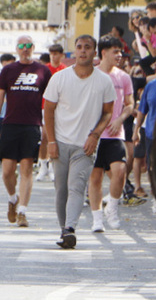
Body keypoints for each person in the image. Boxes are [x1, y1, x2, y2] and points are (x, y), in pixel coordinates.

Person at [43, 35, 115, 249]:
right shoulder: (60, 78)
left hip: (85, 145)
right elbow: (48, 110)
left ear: (95, 52)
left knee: (77, 187)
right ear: (74, 52)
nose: (83, 51)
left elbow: (108, 113)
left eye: (87, 47)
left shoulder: (104, 81)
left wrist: (95, 135)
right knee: (61, 189)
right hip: (60, 141)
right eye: (79, 47)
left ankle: (70, 229)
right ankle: (63, 228)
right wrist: (51, 141)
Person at [0, 35, 52, 227]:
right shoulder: (8, 70)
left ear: (33, 47)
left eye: (28, 46)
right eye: (21, 46)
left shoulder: (42, 70)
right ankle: (12, 199)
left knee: (26, 169)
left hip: (32, 125)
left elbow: (51, 98)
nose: (25, 49)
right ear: (17, 49)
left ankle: (23, 211)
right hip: (10, 124)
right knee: (7, 171)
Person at [88, 36, 134, 232]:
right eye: (115, 51)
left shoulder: (123, 77)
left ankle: (112, 208)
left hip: (115, 134)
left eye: (120, 51)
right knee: (95, 178)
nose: (119, 55)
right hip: (94, 135)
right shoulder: (91, 75)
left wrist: (119, 119)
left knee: (120, 172)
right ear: (103, 53)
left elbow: (130, 104)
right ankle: (97, 219)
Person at [37, 43, 68, 181]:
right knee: (45, 135)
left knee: (57, 137)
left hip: (61, 107)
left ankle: (52, 167)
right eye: (52, 54)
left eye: (56, 54)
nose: (54, 56)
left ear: (61, 55)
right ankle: (43, 164)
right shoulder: (44, 69)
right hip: (45, 106)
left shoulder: (65, 70)